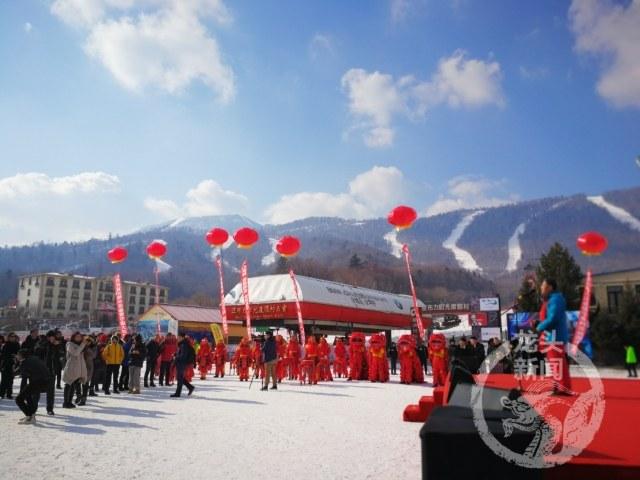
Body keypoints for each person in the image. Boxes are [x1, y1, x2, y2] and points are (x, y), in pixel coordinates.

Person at [536, 278, 572, 394]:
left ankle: (561, 387)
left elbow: (552, 318)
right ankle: (562, 386)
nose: (541, 288)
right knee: (556, 362)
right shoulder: (552, 299)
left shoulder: (555, 299)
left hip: (554, 335)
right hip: (551, 335)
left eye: (543, 285)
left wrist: (539, 327)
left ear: (550, 287)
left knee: (556, 362)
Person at [14, 349, 51, 424]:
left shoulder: (25, 362)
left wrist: (16, 363)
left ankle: (29, 416)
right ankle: (31, 415)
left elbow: (15, 373)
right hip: (45, 381)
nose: (17, 356)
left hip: (37, 382)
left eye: (18, 355)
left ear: (21, 356)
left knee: (19, 399)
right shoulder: (35, 359)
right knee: (28, 397)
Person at [34, 330, 58, 414]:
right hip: (40, 371)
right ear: (48, 337)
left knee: (51, 392)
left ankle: (50, 409)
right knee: (36, 391)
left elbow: (59, 356)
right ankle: (34, 408)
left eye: (54, 337)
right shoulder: (41, 344)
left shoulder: (55, 345)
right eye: (52, 337)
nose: (53, 339)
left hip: (51, 371)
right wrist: (46, 345)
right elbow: (37, 353)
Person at [62, 332, 88, 409]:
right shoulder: (69, 344)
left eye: (80, 337)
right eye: (77, 337)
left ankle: (69, 402)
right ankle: (65, 402)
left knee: (73, 386)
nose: (79, 338)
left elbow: (82, 359)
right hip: (71, 368)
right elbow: (75, 353)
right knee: (68, 385)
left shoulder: (81, 346)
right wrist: (82, 345)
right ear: (73, 337)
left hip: (78, 369)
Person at [170, 333, 195, 398]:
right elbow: (180, 353)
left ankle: (178, 393)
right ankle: (190, 387)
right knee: (180, 378)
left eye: (178, 337)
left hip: (181, 363)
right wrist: (175, 354)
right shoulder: (182, 344)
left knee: (179, 378)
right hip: (181, 363)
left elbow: (183, 355)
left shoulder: (184, 345)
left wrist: (176, 357)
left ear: (182, 338)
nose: (177, 338)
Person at [0, 333, 20, 399]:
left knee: (10, 380)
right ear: (9, 337)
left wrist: (17, 358)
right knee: (4, 380)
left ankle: (9, 394)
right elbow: (3, 355)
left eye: (14, 336)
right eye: (11, 337)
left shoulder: (17, 344)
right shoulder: (6, 345)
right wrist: (12, 356)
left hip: (13, 365)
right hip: (5, 364)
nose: (13, 338)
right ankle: (1, 394)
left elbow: (19, 353)